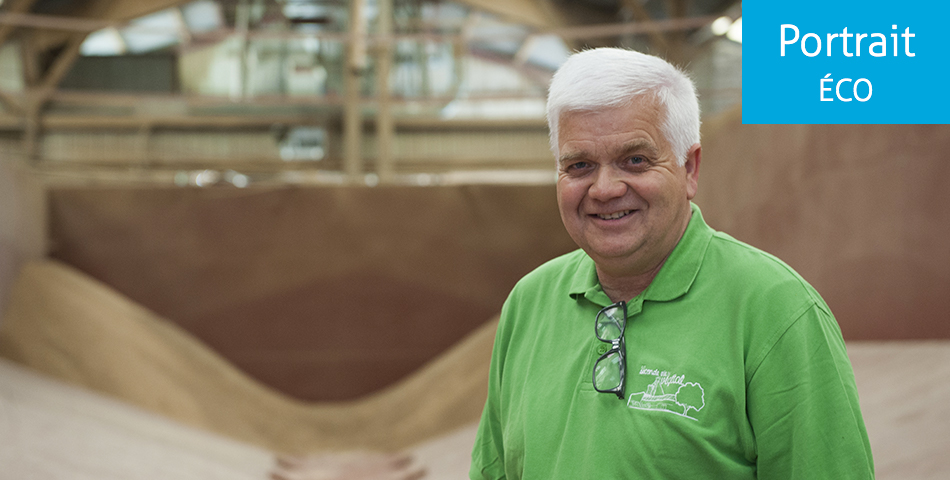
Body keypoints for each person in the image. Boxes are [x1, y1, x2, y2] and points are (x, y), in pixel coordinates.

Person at [469, 48, 874, 479]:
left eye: (635, 160)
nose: (604, 188)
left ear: (690, 168)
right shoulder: (528, 304)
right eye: (580, 165)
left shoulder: (776, 311)